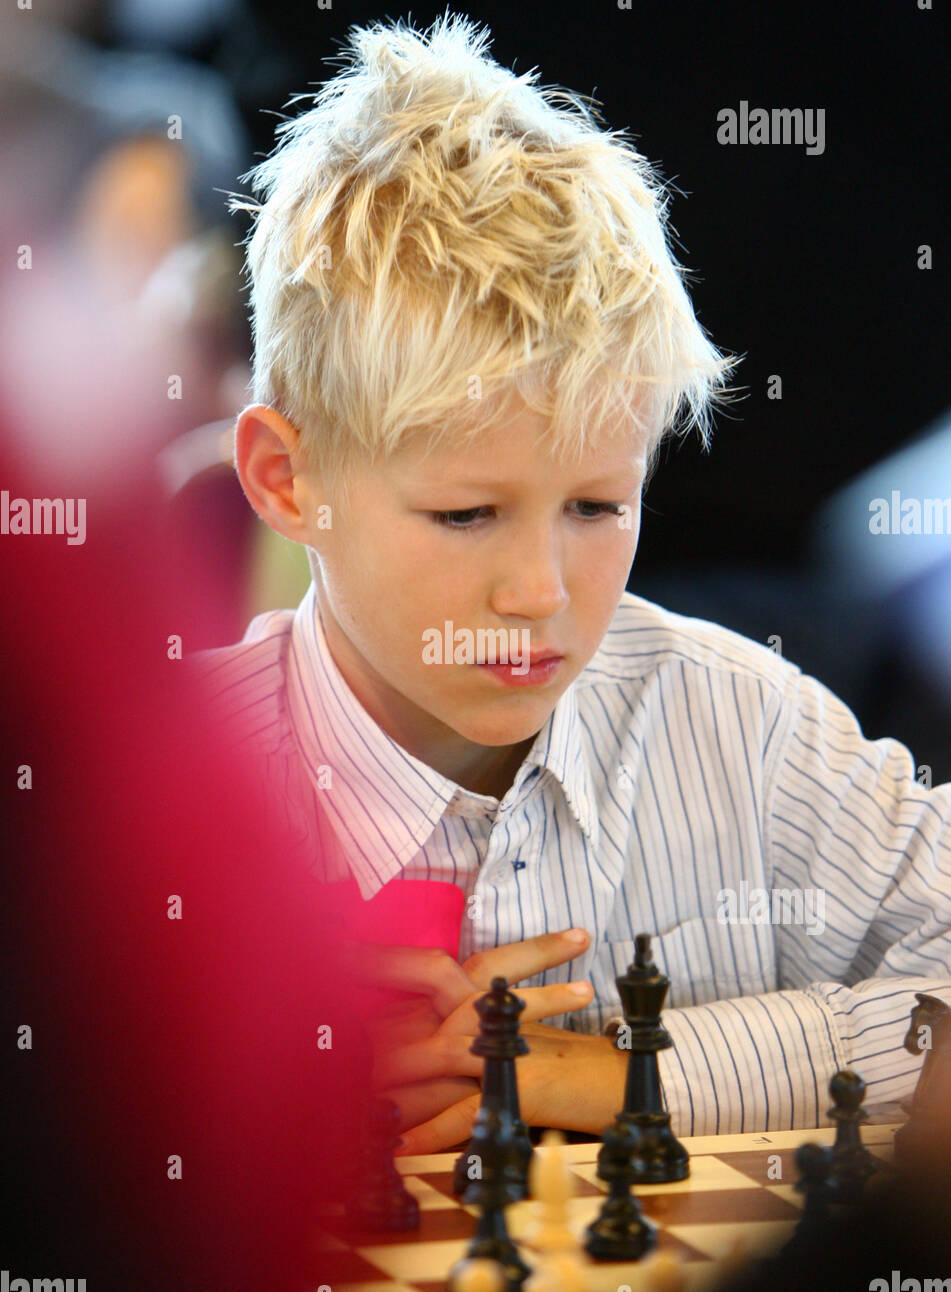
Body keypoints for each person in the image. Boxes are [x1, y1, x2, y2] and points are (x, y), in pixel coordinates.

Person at [193, 14, 951, 1154]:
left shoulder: (751, 732)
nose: (540, 592)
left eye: (598, 505)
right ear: (286, 480)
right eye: (465, 514)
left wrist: (609, 1070)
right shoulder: (149, 775)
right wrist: (260, 1075)